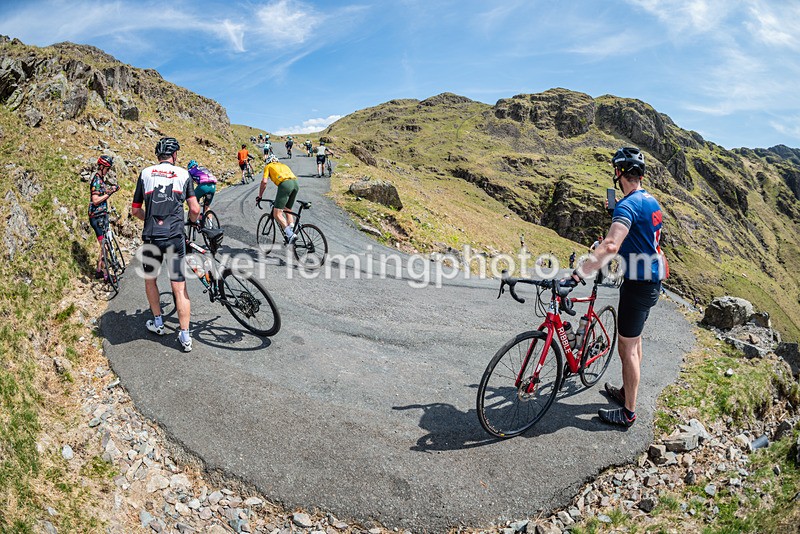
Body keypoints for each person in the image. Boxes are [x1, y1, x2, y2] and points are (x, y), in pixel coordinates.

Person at [567, 146, 667, 427]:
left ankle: (628, 412)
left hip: (638, 286)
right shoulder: (651, 201)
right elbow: (640, 240)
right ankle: (627, 393)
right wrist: (608, 247)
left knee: (628, 349)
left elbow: (612, 244)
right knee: (634, 343)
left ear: (618, 173)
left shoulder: (627, 205)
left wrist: (578, 274)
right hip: (652, 283)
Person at [132, 137, 201, 352]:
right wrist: (189, 222)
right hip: (174, 237)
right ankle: (185, 336)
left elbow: (135, 210)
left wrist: (151, 218)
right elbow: (195, 209)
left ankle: (158, 322)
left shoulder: (145, 174)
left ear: (158, 156)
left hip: (152, 237)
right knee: (179, 288)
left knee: (150, 281)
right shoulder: (184, 174)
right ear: (174, 155)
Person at [88, 155, 120, 280]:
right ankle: (107, 276)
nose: (108, 170)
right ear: (101, 167)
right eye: (107, 168)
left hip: (102, 215)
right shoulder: (96, 180)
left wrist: (111, 189)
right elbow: (95, 200)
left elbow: (102, 192)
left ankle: (99, 270)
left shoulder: (101, 179)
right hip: (96, 217)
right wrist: (109, 193)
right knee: (105, 245)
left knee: (105, 243)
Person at [256, 154, 299, 243]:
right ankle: (291, 228)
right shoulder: (283, 165)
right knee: (287, 209)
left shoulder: (268, 166)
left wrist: (260, 196)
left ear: (268, 161)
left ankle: (290, 234)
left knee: (277, 214)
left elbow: (264, 182)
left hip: (285, 185)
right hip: (295, 183)